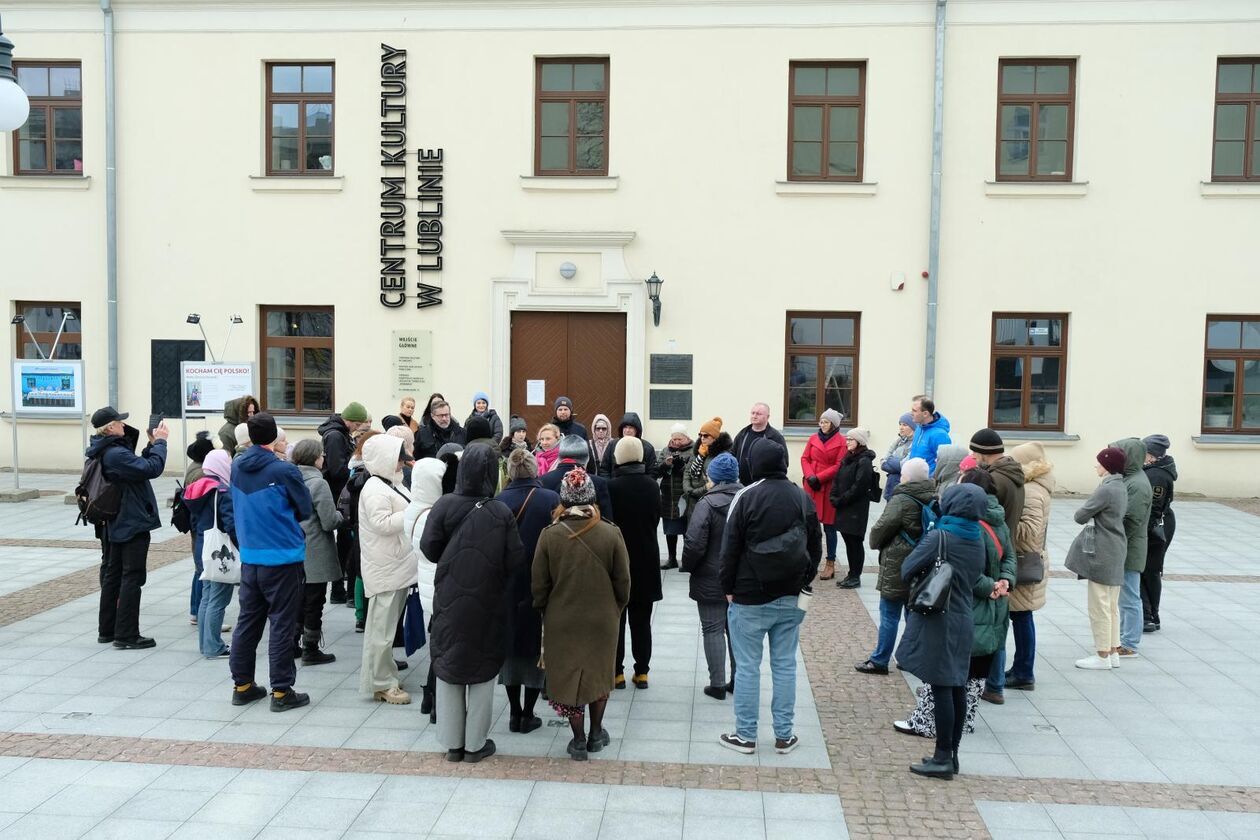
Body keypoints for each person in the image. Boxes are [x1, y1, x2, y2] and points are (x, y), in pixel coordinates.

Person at [420, 444, 526, 763]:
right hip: (489, 599)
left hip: (450, 596)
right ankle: (475, 744)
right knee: (482, 667)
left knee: (449, 660)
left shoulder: (443, 505)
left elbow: (430, 549)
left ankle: (453, 743)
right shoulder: (500, 511)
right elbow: (516, 559)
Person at [718, 438, 821, 755]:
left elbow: (729, 547)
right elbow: (815, 548)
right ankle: (784, 735)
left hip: (749, 597)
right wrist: (804, 581)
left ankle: (746, 736)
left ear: (754, 464)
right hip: (790, 597)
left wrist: (729, 588)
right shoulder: (802, 498)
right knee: (785, 666)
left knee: (748, 668)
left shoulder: (746, 496)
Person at [533, 467, 631, 761]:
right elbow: (623, 581)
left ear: (564, 498)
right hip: (602, 618)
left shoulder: (549, 535)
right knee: (599, 675)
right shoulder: (611, 532)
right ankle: (597, 733)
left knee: (568, 677)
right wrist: (616, 608)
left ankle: (577, 740)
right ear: (591, 496)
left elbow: (539, 584)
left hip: (562, 620)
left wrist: (545, 609)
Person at [895, 483, 988, 780]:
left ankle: (942, 757)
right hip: (962, 616)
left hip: (941, 619)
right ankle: (952, 755)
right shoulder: (978, 536)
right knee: (956, 686)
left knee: (942, 687)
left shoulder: (941, 536)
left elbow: (907, 568)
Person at [229, 412, 313, 712]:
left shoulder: (236, 466)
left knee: (248, 621)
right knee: (281, 623)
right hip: (283, 556)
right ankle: (281, 691)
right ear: (274, 437)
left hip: (251, 556)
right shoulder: (284, 470)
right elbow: (305, 510)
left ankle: (243, 685)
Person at [87, 406, 169, 650]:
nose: (124, 425)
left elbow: (137, 465)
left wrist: (151, 444)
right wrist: (162, 444)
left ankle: (108, 630)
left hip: (117, 520)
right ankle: (127, 634)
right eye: (120, 422)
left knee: (114, 574)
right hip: (129, 521)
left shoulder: (106, 450)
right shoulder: (114, 453)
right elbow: (151, 469)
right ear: (110, 427)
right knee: (131, 576)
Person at [496, 449, 561, 733]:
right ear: (535, 470)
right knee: (537, 647)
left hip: (508, 584)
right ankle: (529, 712)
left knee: (510, 647)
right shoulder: (550, 498)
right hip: (540, 582)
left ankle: (514, 712)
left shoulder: (499, 501)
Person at [857, 457, 935, 675]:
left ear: (907, 477)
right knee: (913, 613)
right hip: (922, 562)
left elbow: (881, 529)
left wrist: (875, 543)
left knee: (890, 614)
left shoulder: (901, 499)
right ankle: (909, 657)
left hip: (898, 563)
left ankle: (880, 660)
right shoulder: (933, 496)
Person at [358, 435, 418, 705]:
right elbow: (382, 523)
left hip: (396, 566)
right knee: (381, 632)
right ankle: (382, 683)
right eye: (396, 457)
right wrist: (413, 513)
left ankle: (385, 675)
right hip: (385, 568)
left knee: (387, 629)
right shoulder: (374, 488)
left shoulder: (389, 483)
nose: (401, 462)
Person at [995, 442, 1055, 694]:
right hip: (1026, 559)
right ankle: (1021, 669)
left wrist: (1002, 523)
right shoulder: (1034, 487)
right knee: (1022, 617)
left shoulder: (1031, 491)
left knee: (1021, 617)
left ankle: (1023, 672)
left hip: (1023, 560)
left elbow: (1029, 531)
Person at [681, 452, 741, 699]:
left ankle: (717, 684)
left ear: (712, 477)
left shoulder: (707, 503)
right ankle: (739, 680)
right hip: (741, 578)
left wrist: (689, 566)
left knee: (712, 629)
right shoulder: (748, 499)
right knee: (737, 630)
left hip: (710, 575)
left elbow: (694, 543)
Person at [1065, 447, 1130, 670]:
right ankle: (1113, 652)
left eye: (1099, 462)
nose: (1096, 466)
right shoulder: (1121, 486)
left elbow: (1080, 516)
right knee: (1111, 605)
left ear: (1108, 466)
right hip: (1116, 547)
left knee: (1099, 605)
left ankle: (1102, 655)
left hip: (1103, 550)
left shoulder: (1106, 489)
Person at [606, 436, 661, 688]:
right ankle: (642, 672)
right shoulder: (652, 486)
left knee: (616, 619)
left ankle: (616, 672)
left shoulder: (611, 487)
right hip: (646, 560)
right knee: (642, 622)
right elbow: (655, 520)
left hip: (618, 560)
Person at [959, 470, 1016, 710]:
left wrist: (990, 585)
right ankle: (995, 687)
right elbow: (1010, 555)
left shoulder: (970, 519)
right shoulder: (998, 517)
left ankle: (961, 697)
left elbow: (967, 566)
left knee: (971, 647)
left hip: (979, 596)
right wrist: (1006, 580)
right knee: (996, 641)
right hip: (998, 596)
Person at [404, 456, 448, 721]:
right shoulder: (433, 513)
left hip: (426, 582)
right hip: (438, 584)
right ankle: (433, 701)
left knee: (437, 643)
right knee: (441, 647)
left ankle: (430, 698)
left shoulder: (415, 507)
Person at [290, 439, 340, 666]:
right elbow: (329, 521)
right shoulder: (318, 484)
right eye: (321, 455)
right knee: (314, 601)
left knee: (297, 599)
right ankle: (311, 648)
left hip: (292, 547)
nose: (324, 458)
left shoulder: (289, 478)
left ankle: (292, 644)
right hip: (315, 548)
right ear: (315, 458)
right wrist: (342, 516)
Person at [183, 450, 236, 658]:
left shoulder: (197, 487)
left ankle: (206, 644)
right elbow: (230, 524)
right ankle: (214, 646)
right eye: (228, 461)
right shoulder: (222, 491)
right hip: (220, 551)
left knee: (206, 597)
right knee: (218, 599)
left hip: (203, 547)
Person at [319, 401, 370, 604]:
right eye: (357, 424)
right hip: (339, 495)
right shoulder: (335, 436)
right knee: (345, 544)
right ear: (349, 420)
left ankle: (341, 590)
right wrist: (356, 467)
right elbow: (337, 469)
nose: (358, 428)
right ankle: (339, 590)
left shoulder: (339, 433)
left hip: (340, 494)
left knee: (345, 543)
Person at [1112, 437, 1153, 658]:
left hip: (1130, 547)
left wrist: (1113, 541)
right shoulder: (1130, 478)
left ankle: (1129, 643)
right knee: (1125, 596)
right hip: (1126, 546)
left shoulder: (1136, 483)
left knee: (1129, 596)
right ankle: (1123, 639)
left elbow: (1131, 519)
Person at [800, 409, 847, 581]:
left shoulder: (841, 442)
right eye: (821, 421)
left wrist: (819, 478)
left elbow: (838, 465)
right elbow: (805, 458)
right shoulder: (813, 438)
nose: (822, 424)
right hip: (811, 485)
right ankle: (806, 559)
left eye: (826, 422)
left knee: (829, 527)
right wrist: (810, 475)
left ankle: (830, 563)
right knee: (808, 525)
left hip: (827, 486)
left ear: (834, 424)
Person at [829, 427, 877, 589]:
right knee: (848, 541)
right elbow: (837, 477)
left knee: (855, 541)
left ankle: (855, 575)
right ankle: (851, 573)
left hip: (855, 508)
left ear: (859, 441)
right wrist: (834, 495)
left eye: (850, 439)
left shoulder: (864, 460)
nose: (847, 441)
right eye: (847, 439)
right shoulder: (848, 457)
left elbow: (859, 486)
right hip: (844, 506)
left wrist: (841, 499)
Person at [1141, 435, 1176, 633]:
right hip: (1158, 524)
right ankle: (1151, 615)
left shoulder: (1157, 476)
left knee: (1149, 571)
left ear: (1152, 455)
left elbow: (1153, 507)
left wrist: (1142, 532)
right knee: (1149, 570)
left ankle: (1150, 616)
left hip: (1155, 527)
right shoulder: (1155, 470)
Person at [183, 432, 216, 624]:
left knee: (199, 569)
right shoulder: (201, 473)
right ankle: (199, 611)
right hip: (201, 525)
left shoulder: (195, 467)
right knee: (202, 569)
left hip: (197, 524)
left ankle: (196, 611)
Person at [969, 428, 1025, 538]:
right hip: (1006, 544)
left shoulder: (993, 479)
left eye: (975, 451)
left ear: (984, 452)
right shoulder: (1012, 472)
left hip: (995, 547)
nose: (973, 456)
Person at [541, 435, 614, 516]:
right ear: (587, 459)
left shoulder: (543, 481)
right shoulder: (599, 483)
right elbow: (606, 519)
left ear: (559, 457)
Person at [657, 424, 696, 571]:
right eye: (674, 439)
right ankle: (672, 559)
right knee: (670, 529)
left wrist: (681, 466)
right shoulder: (666, 450)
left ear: (686, 437)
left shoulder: (693, 450)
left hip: (684, 496)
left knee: (687, 529)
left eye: (679, 438)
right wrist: (666, 465)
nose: (676, 442)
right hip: (668, 496)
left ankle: (686, 560)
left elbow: (694, 471)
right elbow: (657, 470)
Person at [731, 402, 786, 486]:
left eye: (758, 414)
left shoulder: (775, 437)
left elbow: (784, 462)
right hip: (741, 485)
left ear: (767, 417)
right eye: (753, 413)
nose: (754, 416)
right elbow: (732, 454)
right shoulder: (743, 434)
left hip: (765, 487)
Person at [684, 422, 731, 515]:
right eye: (700, 435)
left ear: (714, 437)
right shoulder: (697, 451)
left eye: (706, 435)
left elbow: (714, 483)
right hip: (692, 501)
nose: (702, 438)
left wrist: (697, 491)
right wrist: (688, 489)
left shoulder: (721, 456)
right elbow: (687, 472)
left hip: (710, 500)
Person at [597, 412, 657, 477]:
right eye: (625, 427)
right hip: (615, 485)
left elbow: (652, 472)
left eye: (631, 427)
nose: (627, 430)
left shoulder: (647, 448)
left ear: (637, 430)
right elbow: (604, 469)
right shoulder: (613, 445)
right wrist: (609, 484)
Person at [907, 395, 951, 474]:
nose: (911, 413)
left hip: (927, 483)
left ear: (925, 414)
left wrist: (930, 480)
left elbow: (945, 465)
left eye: (914, 411)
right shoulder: (919, 428)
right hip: (914, 480)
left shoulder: (940, 435)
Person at [881, 413, 917, 501]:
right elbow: (883, 462)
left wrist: (890, 461)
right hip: (891, 486)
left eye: (905, 425)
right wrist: (895, 463)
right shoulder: (898, 441)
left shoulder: (915, 443)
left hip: (904, 489)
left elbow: (905, 466)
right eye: (900, 424)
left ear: (913, 427)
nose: (901, 427)